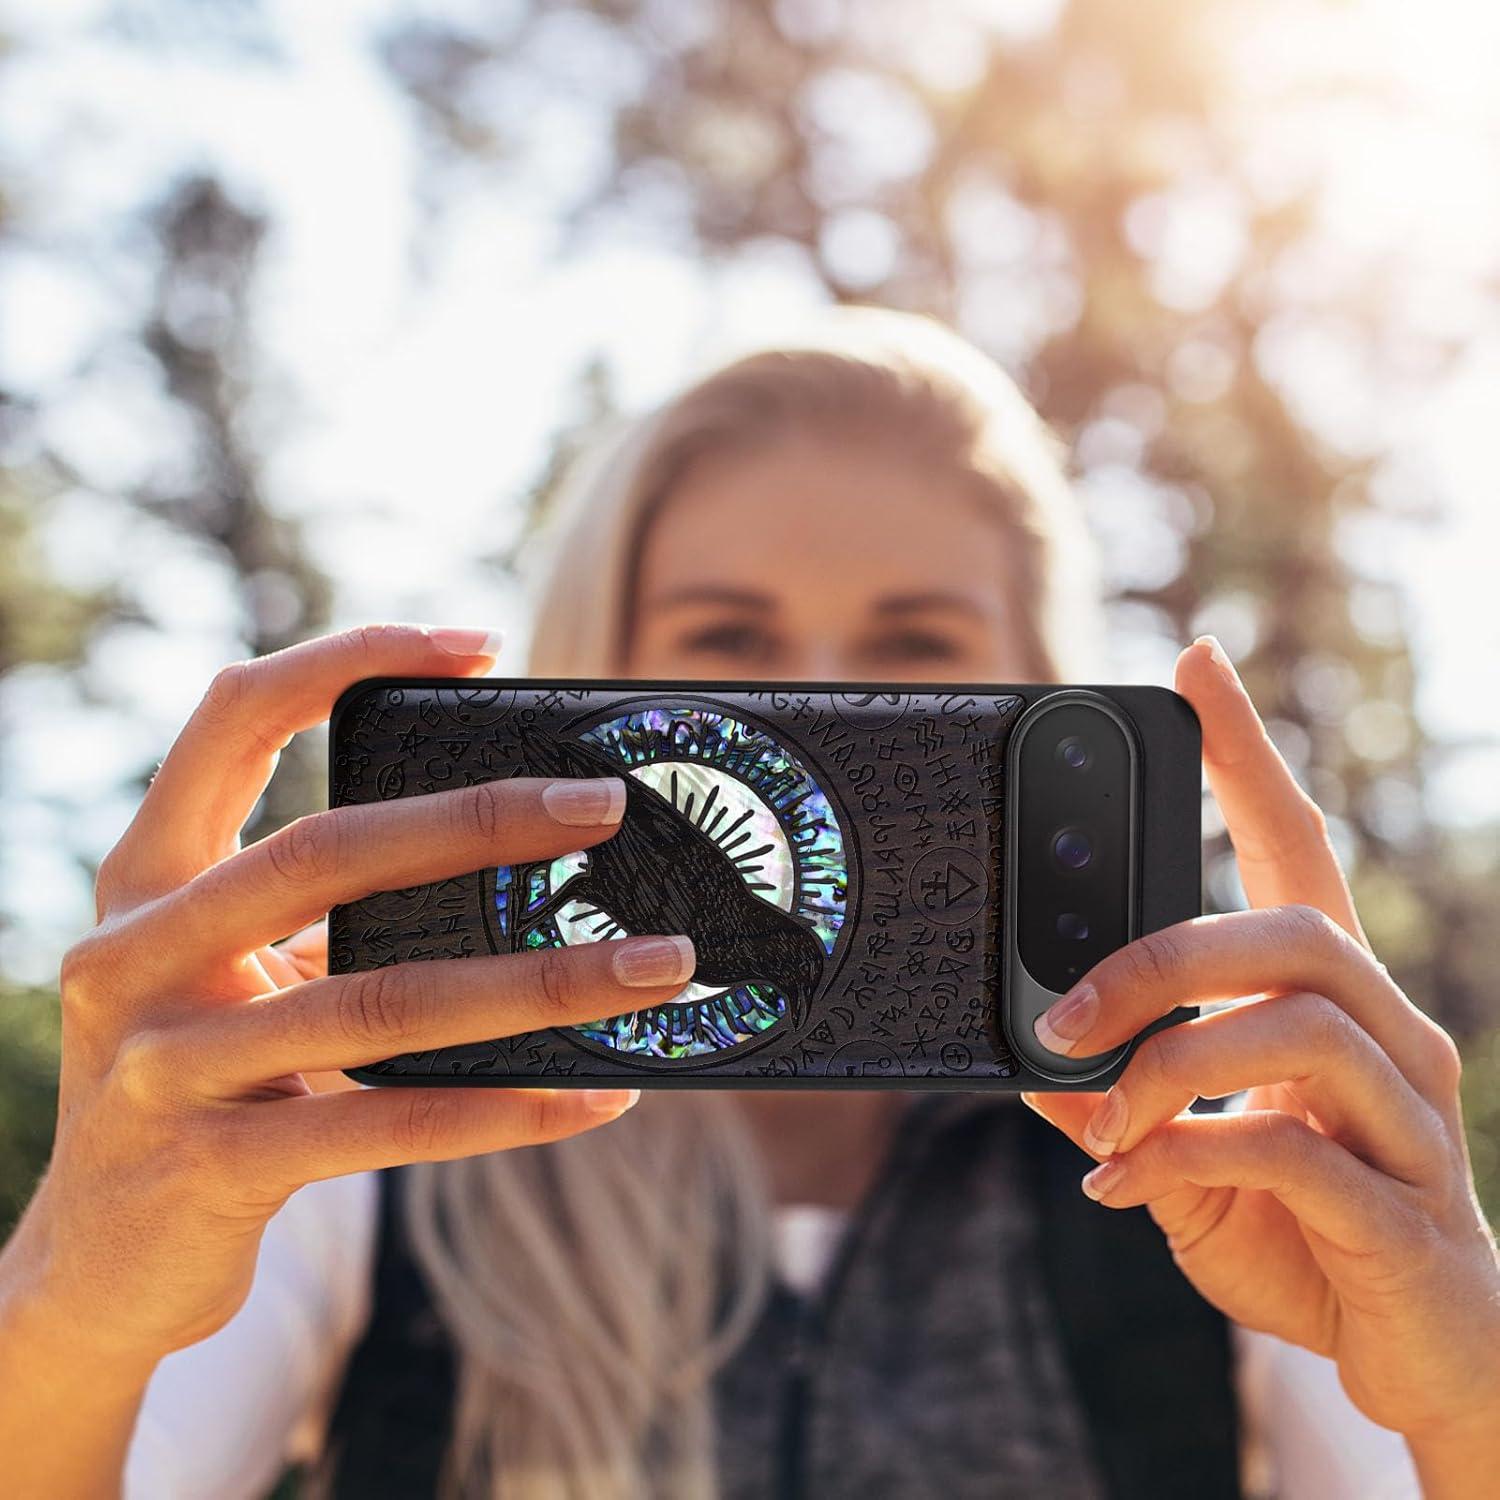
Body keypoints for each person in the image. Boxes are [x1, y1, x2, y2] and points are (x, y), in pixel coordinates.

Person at [1, 311, 1496, 1500]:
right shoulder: (366, 1150)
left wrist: (1467, 1393)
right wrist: (77, 1297)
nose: (824, 705)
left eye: (916, 647)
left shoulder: (1212, 1178)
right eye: (727, 639)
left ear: (1039, 695)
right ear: (597, 672)